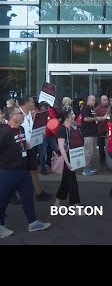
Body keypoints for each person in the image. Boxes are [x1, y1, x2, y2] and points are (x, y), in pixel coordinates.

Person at [0, 106, 51, 238]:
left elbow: (20, 144)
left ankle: (33, 223)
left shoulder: (21, 129)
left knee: (27, 197)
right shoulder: (4, 132)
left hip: (23, 171)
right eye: (20, 114)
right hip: (8, 172)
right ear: (12, 116)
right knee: (3, 199)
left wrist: (25, 146)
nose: (23, 115)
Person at [18, 95, 52, 201]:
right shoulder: (17, 114)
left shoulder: (29, 114)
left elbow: (30, 129)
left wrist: (39, 134)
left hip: (31, 146)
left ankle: (38, 192)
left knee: (32, 169)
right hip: (22, 149)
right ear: (26, 103)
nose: (34, 104)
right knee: (21, 172)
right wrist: (22, 144)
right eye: (32, 102)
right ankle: (14, 194)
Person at [54, 106, 82, 207]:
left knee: (66, 180)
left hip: (73, 156)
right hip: (67, 158)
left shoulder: (73, 126)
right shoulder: (62, 129)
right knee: (72, 181)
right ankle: (76, 204)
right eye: (72, 113)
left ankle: (57, 201)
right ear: (68, 116)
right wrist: (67, 162)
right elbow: (61, 148)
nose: (74, 115)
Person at [95, 95, 110, 169]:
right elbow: (95, 120)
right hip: (100, 130)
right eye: (104, 100)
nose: (106, 101)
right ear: (101, 101)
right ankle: (102, 162)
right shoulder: (97, 109)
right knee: (101, 147)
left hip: (109, 130)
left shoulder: (110, 108)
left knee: (109, 146)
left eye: (107, 99)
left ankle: (109, 161)